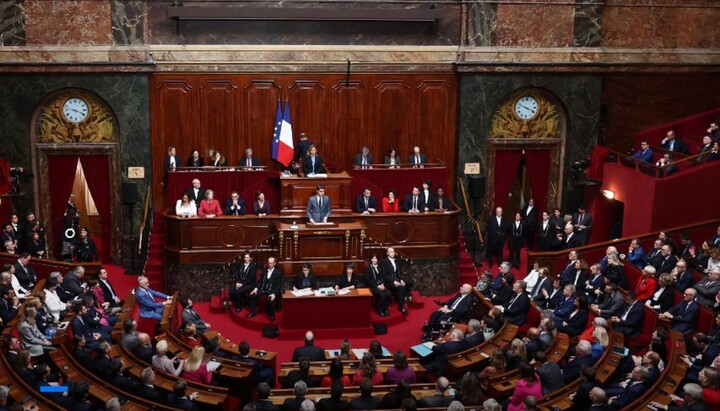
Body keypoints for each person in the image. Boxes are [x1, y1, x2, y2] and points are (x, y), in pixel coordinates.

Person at [381, 247, 414, 314]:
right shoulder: (384, 262)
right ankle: (401, 307)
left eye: (393, 251)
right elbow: (385, 275)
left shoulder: (396, 260)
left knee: (410, 281)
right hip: (389, 282)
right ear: (387, 253)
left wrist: (401, 279)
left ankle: (403, 296)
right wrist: (393, 281)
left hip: (397, 279)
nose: (392, 253)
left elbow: (398, 272)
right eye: (390, 252)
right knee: (401, 287)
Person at [248, 256, 282, 321]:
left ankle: (272, 315)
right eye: (269, 263)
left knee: (270, 301)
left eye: (271, 263)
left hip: (271, 291)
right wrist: (256, 289)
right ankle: (253, 312)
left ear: (274, 263)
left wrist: (274, 294)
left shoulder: (278, 272)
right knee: (252, 295)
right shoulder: (264, 270)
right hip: (263, 290)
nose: (270, 265)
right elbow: (260, 281)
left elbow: (278, 285)